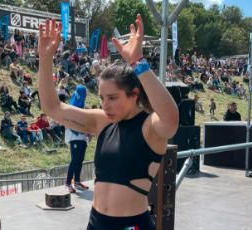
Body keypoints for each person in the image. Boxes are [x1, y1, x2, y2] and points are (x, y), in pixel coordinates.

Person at [37, 16, 178, 229]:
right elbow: (53, 108)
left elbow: (171, 118)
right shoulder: (102, 122)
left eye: (113, 98)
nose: (105, 106)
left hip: (132, 225)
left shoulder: (150, 127)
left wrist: (138, 62)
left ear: (134, 95)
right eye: (102, 98)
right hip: (96, 222)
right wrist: (45, 59)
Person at [64, 85, 90, 193]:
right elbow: (70, 123)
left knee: (80, 159)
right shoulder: (72, 106)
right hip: (74, 136)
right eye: (85, 93)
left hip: (82, 137)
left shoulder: (81, 106)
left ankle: (77, 181)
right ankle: (68, 183)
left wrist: (87, 132)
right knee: (74, 159)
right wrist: (82, 130)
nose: (86, 95)